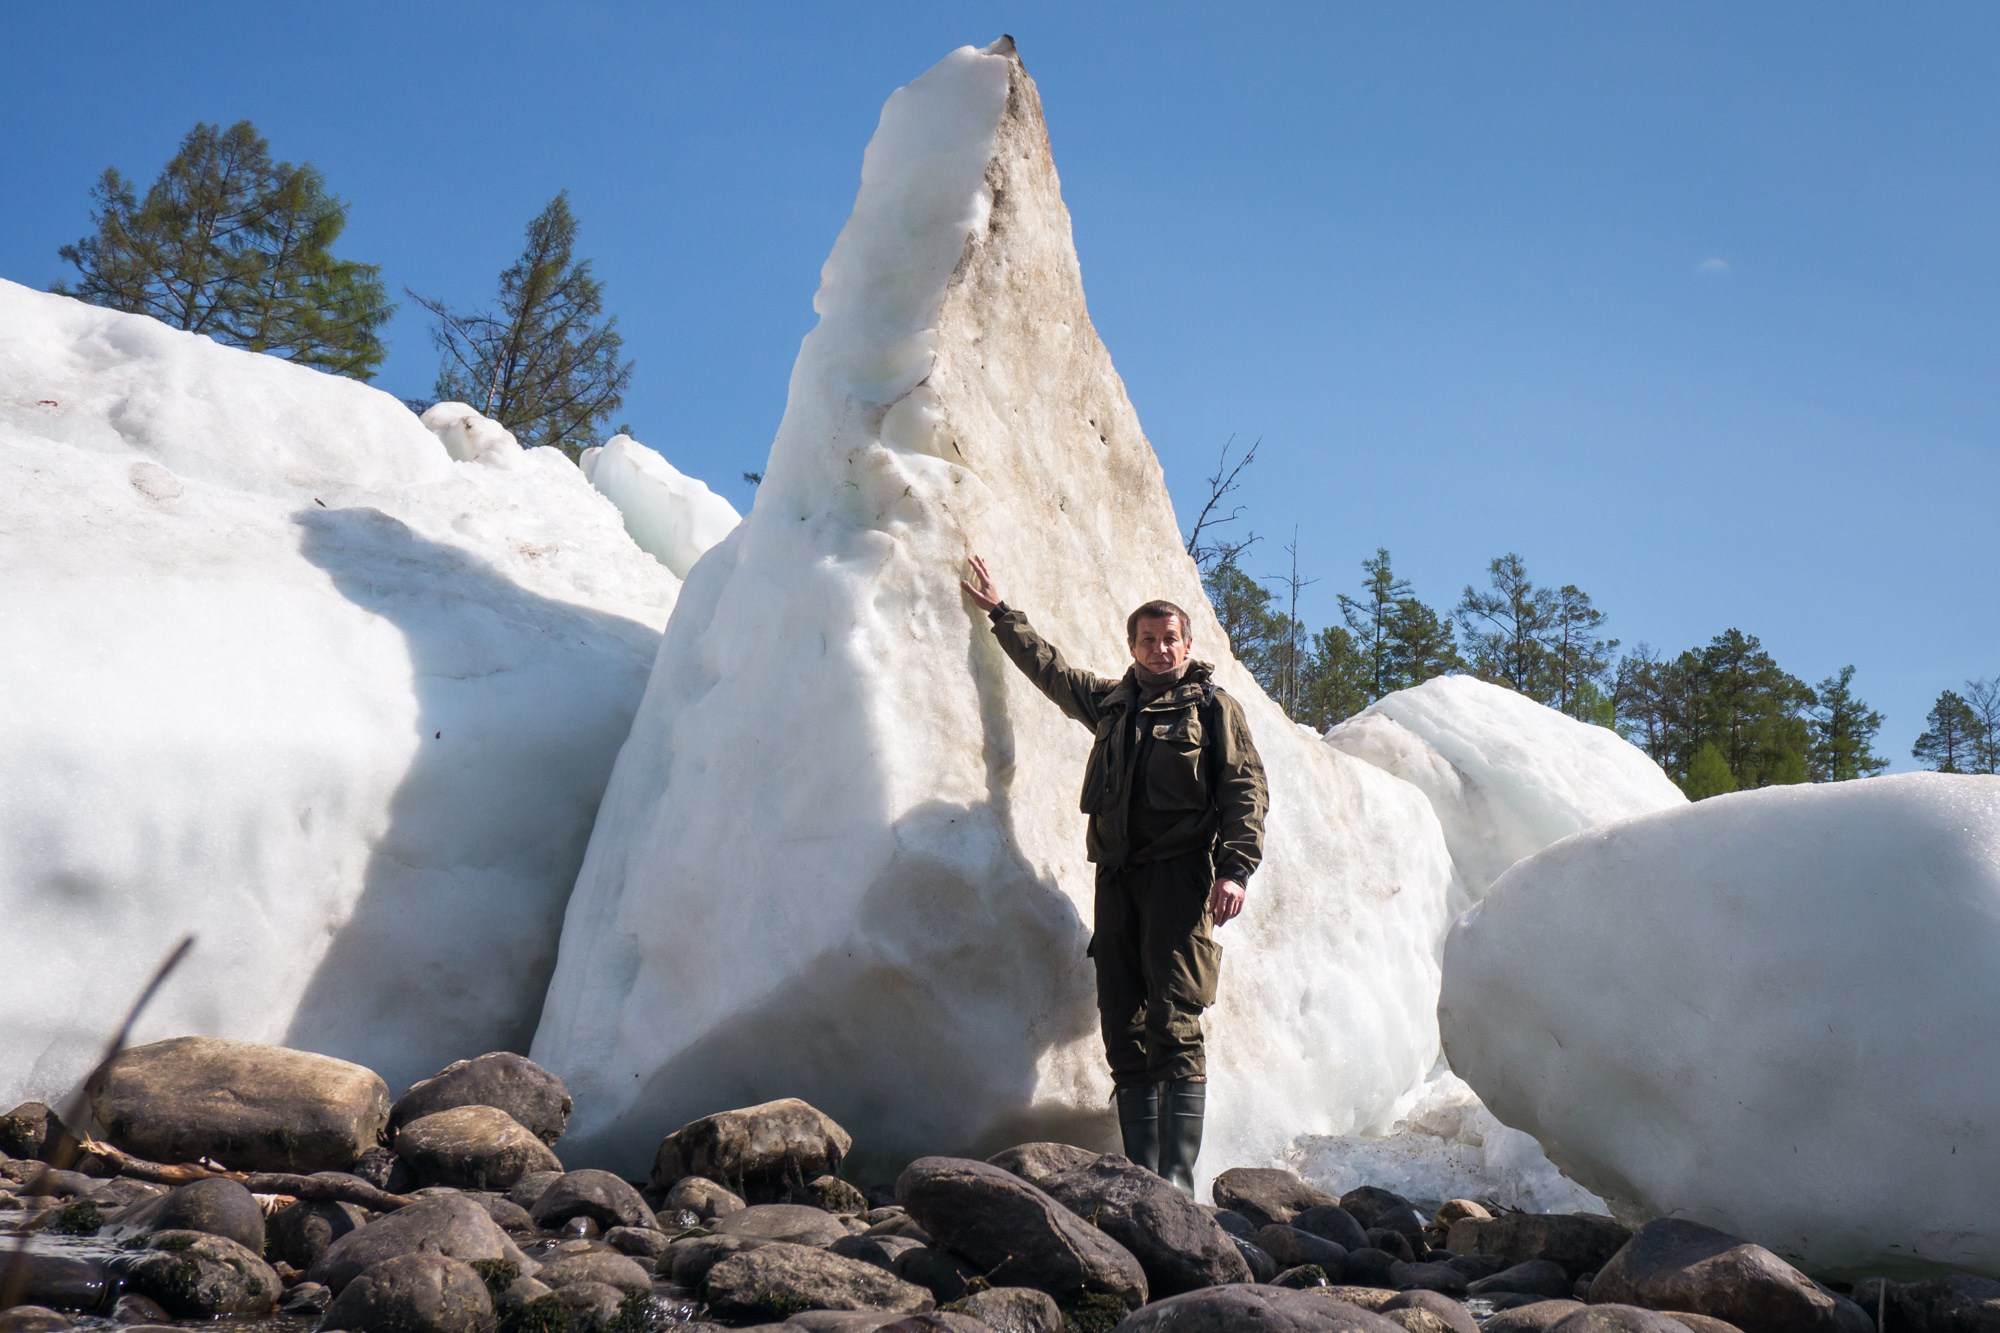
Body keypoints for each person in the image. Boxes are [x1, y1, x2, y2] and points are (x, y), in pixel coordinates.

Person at [960, 554, 1266, 1193]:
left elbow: (1245, 790)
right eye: (1148, 640)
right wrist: (1001, 615)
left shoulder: (1213, 710)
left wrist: (1234, 869)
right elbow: (1051, 671)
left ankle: (1177, 1180)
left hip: (1181, 878)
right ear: (1132, 645)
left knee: (1174, 1014)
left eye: (1170, 640)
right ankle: (1142, 1173)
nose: (1160, 650)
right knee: (1121, 1014)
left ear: (1188, 644)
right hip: (1116, 881)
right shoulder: (1112, 705)